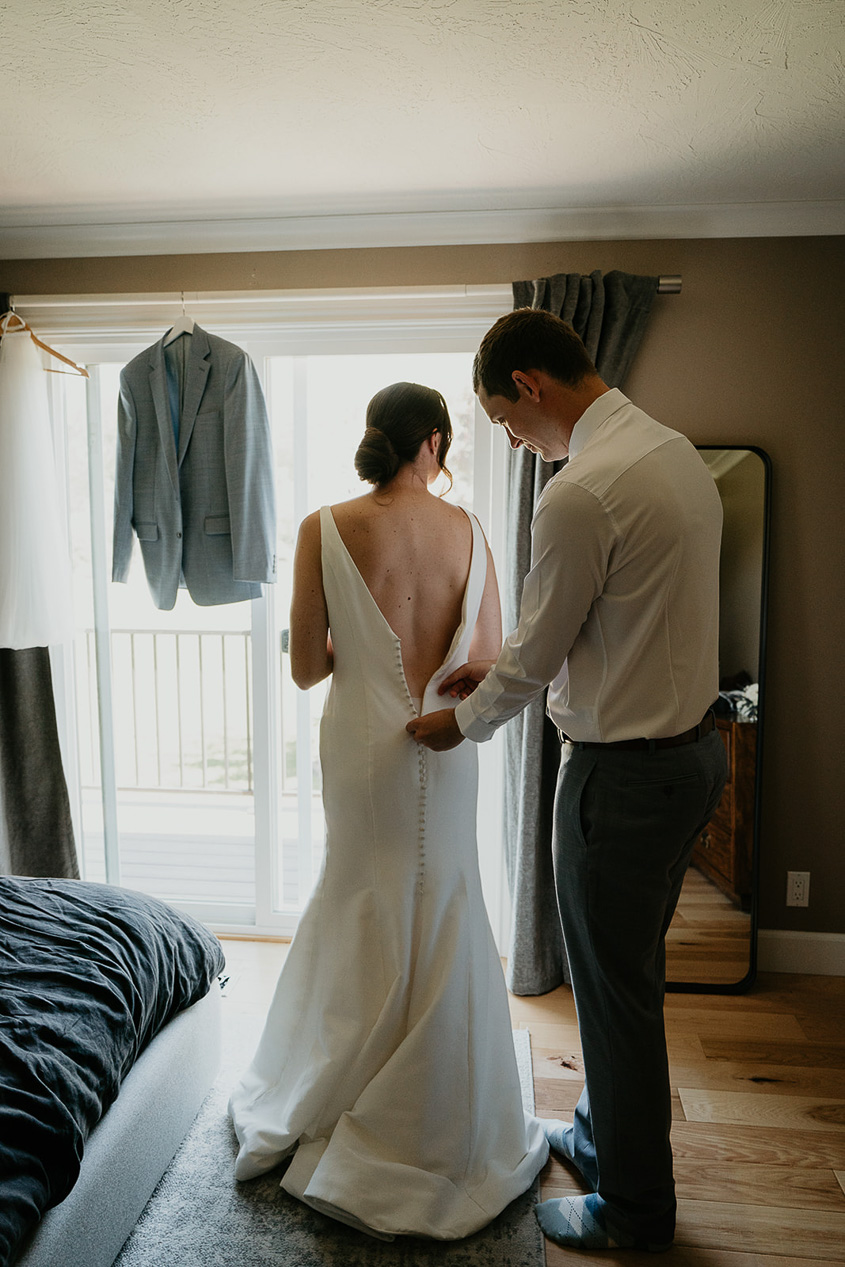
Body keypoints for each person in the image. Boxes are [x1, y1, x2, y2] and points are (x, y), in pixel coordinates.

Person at [407, 311, 728, 1253]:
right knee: (620, 978)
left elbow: (542, 651)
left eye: (506, 421)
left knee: (613, 994)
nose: (512, 439)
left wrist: (458, 722)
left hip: (621, 782)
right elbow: (609, 618)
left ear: (532, 386)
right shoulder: (669, 453)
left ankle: (631, 1209)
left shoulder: (582, 489)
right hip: (688, 760)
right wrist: (502, 662)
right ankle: (597, 1139)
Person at [228, 381, 548, 1240]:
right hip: (444, 745)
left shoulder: (323, 528)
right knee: (442, 892)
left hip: (361, 750)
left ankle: (338, 1083)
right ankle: (431, 1102)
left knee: (357, 888)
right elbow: (484, 661)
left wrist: (357, 638)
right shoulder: (473, 532)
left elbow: (304, 667)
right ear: (434, 442)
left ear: (378, 438)